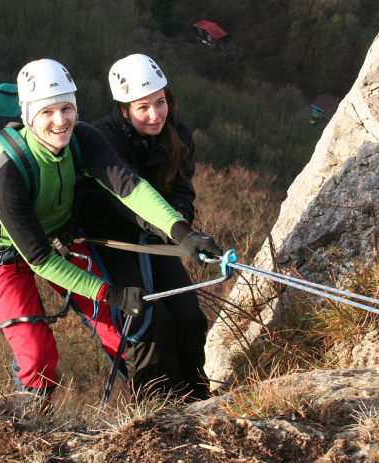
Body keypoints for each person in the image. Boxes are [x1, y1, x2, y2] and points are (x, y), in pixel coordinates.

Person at [0, 58, 222, 409]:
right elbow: (40, 259)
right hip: (8, 253)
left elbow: (130, 188)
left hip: (61, 240)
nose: (60, 121)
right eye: (47, 112)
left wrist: (181, 232)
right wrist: (111, 291)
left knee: (123, 325)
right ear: (29, 115)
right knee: (37, 354)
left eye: (66, 108)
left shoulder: (83, 138)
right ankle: (30, 421)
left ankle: (158, 405)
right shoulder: (5, 172)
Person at [77, 54, 211, 401]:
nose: (155, 115)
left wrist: (181, 222)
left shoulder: (177, 134)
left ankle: (196, 398)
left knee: (188, 316)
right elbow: (122, 197)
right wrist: (171, 229)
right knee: (149, 321)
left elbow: (181, 186)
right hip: (109, 238)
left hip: (157, 235)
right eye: (143, 107)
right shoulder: (102, 139)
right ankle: (159, 408)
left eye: (161, 102)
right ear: (124, 109)